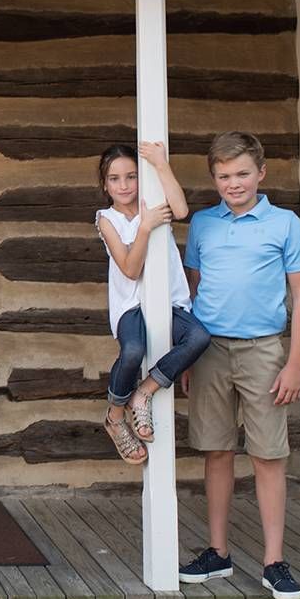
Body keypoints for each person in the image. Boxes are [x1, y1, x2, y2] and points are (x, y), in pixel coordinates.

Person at [179, 132, 300, 599]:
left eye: (241, 174)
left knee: (267, 455)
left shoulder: (284, 224)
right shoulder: (203, 224)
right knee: (215, 450)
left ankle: (274, 561)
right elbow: (192, 291)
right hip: (211, 351)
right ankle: (218, 552)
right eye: (223, 176)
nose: (232, 183)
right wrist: (188, 355)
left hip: (264, 351)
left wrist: (294, 362)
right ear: (213, 178)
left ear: (261, 173)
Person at [94, 143, 210, 465]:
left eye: (131, 176)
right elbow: (130, 269)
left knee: (199, 337)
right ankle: (115, 417)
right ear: (105, 184)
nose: (124, 185)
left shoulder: (154, 202)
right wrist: (145, 227)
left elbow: (182, 211)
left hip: (168, 299)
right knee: (132, 351)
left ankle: (144, 391)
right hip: (131, 305)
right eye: (115, 179)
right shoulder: (107, 220)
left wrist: (160, 165)